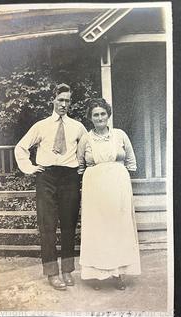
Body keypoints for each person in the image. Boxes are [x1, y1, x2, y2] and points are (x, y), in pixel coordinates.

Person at [15, 83, 87, 291]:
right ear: (53, 100)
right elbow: (21, 147)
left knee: (68, 225)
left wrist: (83, 169)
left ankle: (67, 271)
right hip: (46, 176)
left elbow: (87, 148)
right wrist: (29, 168)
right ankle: (52, 274)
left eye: (67, 100)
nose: (64, 104)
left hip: (70, 177)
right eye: (61, 100)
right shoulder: (41, 125)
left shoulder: (77, 127)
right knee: (47, 226)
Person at [77, 98, 141, 290]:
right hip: (95, 189)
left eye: (102, 113)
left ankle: (118, 274)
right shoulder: (86, 139)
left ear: (108, 115)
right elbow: (81, 165)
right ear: (90, 117)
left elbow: (131, 160)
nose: (99, 117)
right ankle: (97, 275)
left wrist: (118, 175)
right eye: (95, 114)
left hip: (118, 187)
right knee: (98, 228)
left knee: (118, 227)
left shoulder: (120, 135)